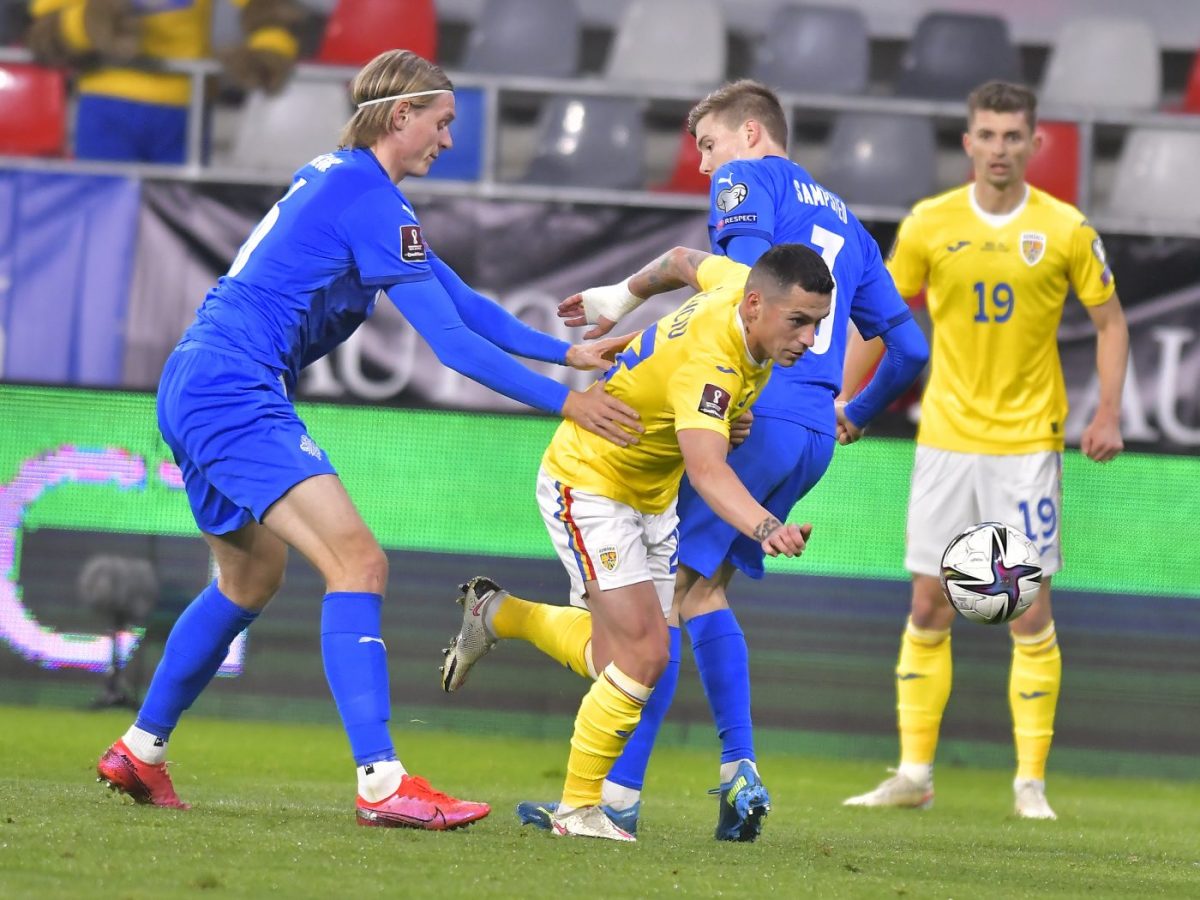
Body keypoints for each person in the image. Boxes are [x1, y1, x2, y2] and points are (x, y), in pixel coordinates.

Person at [94, 49, 644, 831]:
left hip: (202, 380)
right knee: (358, 562)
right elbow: (451, 347)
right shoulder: (371, 200)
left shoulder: (348, 181)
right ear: (400, 116)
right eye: (443, 122)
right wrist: (567, 404)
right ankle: (382, 782)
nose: (449, 140)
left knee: (250, 581)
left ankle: (141, 749)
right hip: (232, 385)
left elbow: (462, 302)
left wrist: (569, 353)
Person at [498, 79, 929, 842]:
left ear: (754, 132)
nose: (704, 167)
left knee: (656, 615)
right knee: (701, 597)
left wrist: (631, 327)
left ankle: (615, 799)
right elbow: (911, 349)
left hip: (747, 417)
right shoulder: (853, 228)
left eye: (708, 143)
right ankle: (738, 771)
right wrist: (853, 415)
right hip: (813, 437)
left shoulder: (749, 180)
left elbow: (736, 309)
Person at [441, 244, 834, 841]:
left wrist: (621, 298)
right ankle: (578, 812)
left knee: (615, 663)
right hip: (591, 484)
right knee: (644, 657)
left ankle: (496, 612)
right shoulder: (715, 362)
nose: (809, 338)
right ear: (755, 305)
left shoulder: (735, 285)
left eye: (818, 323)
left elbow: (679, 260)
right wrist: (764, 527)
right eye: (798, 321)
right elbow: (707, 469)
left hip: (651, 499)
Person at [841, 80, 1128, 820]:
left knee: (1026, 609)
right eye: (987, 135)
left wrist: (1108, 414)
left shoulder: (1064, 228)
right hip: (945, 440)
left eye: (1012, 136)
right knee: (929, 599)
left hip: (1027, 444)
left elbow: (1111, 324)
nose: (999, 149)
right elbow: (878, 316)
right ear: (967, 143)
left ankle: (1029, 782)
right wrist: (842, 399)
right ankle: (913, 775)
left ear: (1034, 144)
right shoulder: (929, 224)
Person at [28, 0, 303, 163]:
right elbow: (45, 33)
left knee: (181, 224)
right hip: (107, 102)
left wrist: (271, 47)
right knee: (102, 213)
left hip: (184, 106)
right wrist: (91, 21)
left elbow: (266, 10)